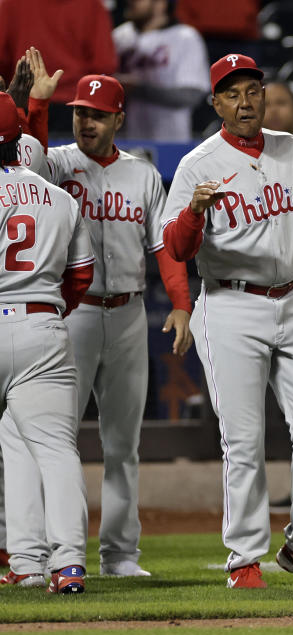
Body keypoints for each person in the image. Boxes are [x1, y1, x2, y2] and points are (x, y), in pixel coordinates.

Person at [161, 54, 293, 589]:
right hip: (229, 304)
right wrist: (194, 213)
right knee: (244, 439)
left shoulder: (290, 148)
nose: (245, 102)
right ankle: (244, 558)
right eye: (232, 93)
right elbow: (173, 247)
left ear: (264, 95)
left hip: (292, 299)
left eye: (252, 90)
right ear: (216, 102)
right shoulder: (199, 163)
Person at [13, 74, 189, 579]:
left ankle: (119, 555)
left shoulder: (144, 175)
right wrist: (38, 105)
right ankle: (43, 555)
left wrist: (180, 302)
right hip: (74, 313)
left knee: (123, 443)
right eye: (80, 113)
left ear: (119, 119)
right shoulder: (57, 163)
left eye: (96, 114)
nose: (86, 121)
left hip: (130, 312)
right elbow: (26, 161)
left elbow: (164, 248)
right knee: (52, 439)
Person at [0, 91, 95, 593]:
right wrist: (47, 310)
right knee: (52, 450)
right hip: (43, 325)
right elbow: (81, 276)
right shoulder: (59, 197)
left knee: (14, 446)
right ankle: (66, 566)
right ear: (18, 140)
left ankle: (26, 564)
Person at [0, 0, 117, 132]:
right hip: (75, 106)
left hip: (23, 103)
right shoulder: (92, 5)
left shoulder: (12, 3)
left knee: (24, 152)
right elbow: (104, 64)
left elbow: (2, 60)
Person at [113, 0, 210, 142]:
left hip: (172, 141)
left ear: (161, 4)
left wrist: (137, 88)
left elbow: (190, 95)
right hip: (126, 140)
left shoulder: (185, 37)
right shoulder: (120, 36)